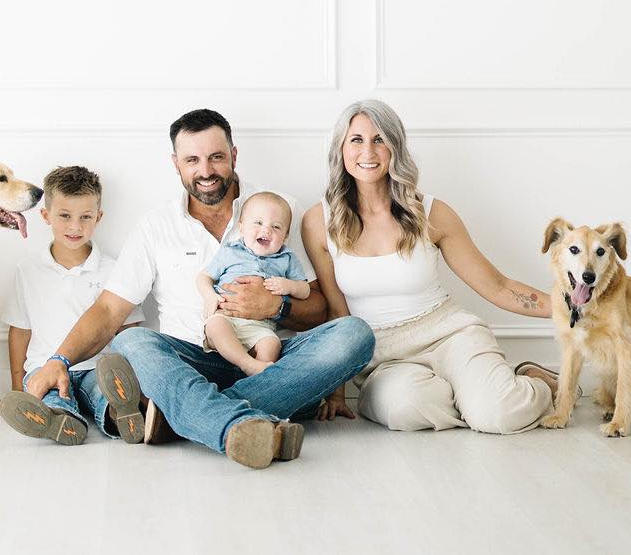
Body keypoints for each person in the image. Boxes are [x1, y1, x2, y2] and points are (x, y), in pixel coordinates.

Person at [23, 109, 375, 469]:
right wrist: (58, 360)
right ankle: (237, 421)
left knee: (354, 334)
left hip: (269, 360)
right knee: (131, 342)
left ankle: (183, 416)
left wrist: (275, 307)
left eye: (216, 157)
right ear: (176, 164)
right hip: (191, 362)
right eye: (192, 160)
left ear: (234, 156)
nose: (205, 170)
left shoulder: (277, 209)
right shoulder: (156, 226)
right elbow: (110, 310)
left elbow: (317, 307)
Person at [303, 99, 557, 434]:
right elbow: (339, 315)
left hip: (449, 334)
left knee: (498, 415)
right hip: (384, 356)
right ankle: (475, 395)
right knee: (405, 410)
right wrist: (336, 391)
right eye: (357, 140)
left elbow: (497, 285)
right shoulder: (319, 222)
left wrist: (574, 309)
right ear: (341, 148)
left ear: (396, 147)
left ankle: (534, 381)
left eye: (380, 139)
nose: (368, 151)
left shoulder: (431, 212)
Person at [0, 166, 145, 445]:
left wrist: (133, 374)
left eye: (85, 217)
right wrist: (17, 387)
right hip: (43, 367)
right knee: (47, 394)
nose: (75, 227)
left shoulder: (114, 269)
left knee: (105, 392)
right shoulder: (28, 269)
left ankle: (120, 413)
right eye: (64, 216)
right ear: (46, 216)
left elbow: (129, 329)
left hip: (96, 368)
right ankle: (58, 419)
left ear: (98, 218)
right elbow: (20, 332)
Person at [196, 192, 311, 377]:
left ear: (286, 235)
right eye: (258, 223)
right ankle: (247, 364)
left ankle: (256, 379)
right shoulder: (231, 252)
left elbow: (305, 290)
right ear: (241, 227)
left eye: (276, 226)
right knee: (215, 326)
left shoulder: (287, 258)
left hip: (261, 326)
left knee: (272, 344)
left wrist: (289, 286)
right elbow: (203, 277)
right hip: (226, 317)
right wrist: (210, 296)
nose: (266, 230)